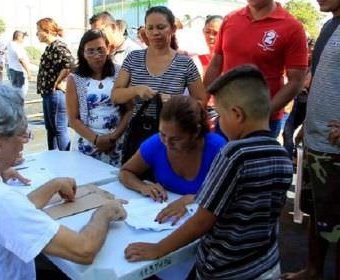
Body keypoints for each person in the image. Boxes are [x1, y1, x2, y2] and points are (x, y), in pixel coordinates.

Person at [0, 81, 127, 279]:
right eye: (22, 135)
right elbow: (83, 250)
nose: (23, 145)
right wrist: (104, 212)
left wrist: (54, 185)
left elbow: (9, 213)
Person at [124, 65, 293, 279]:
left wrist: (158, 249)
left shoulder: (233, 154)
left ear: (236, 114)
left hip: (225, 271)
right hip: (266, 265)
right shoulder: (282, 155)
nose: (218, 122)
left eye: (220, 115)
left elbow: (203, 220)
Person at [282, 1, 340, 279]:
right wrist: (307, 123)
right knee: (317, 212)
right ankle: (312, 270)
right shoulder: (331, 23)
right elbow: (327, 81)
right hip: (318, 144)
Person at [111, 5, 207, 164]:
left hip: (172, 136)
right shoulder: (133, 58)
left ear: (173, 29)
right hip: (139, 132)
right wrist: (136, 90)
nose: (155, 33)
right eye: (150, 28)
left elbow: (201, 101)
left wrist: (176, 103)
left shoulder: (185, 64)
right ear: (145, 31)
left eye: (161, 27)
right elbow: (115, 95)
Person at [203, 0, 308, 137]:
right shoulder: (230, 19)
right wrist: (201, 102)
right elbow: (216, 64)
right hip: (226, 116)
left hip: (264, 122)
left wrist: (261, 115)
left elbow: (296, 81)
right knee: (222, 157)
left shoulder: (292, 27)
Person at [119, 95, 225, 224]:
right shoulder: (157, 143)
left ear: (196, 132)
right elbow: (126, 172)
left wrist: (194, 199)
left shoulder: (217, 149)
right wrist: (142, 187)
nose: (167, 143)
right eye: (162, 134)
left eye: (176, 139)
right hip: (163, 221)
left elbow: (228, 195)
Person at [66, 29, 133, 167]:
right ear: (83, 53)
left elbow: (130, 109)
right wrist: (96, 140)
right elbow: (73, 119)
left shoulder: (120, 73)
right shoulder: (75, 78)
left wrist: (113, 137)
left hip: (116, 142)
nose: (97, 55)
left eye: (101, 50)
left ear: (108, 49)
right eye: (90, 51)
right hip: (86, 142)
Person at [36, 17, 75, 151]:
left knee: (59, 129)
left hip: (55, 94)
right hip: (48, 93)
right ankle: (52, 158)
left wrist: (59, 82)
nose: (37, 34)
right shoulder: (50, 48)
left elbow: (70, 64)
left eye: (38, 30)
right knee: (51, 129)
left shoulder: (58, 46)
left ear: (46, 31)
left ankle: (64, 159)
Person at [7, 30, 31, 97]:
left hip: (13, 70)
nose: (23, 39)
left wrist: (23, 34)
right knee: (21, 92)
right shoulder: (16, 45)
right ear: (18, 37)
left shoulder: (10, 44)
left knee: (16, 92)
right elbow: (21, 59)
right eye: (23, 37)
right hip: (19, 71)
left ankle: (15, 106)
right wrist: (29, 72)